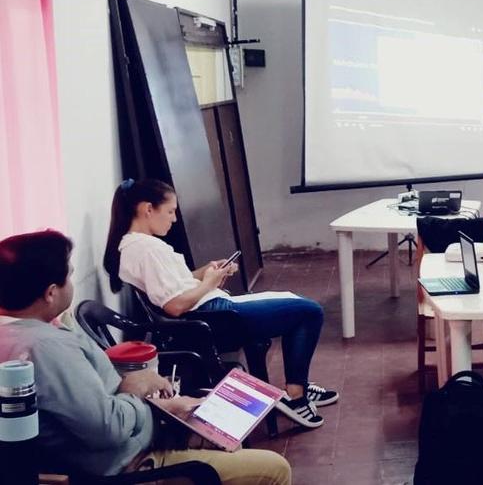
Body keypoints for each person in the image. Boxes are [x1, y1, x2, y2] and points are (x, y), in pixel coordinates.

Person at [0, 231, 291, 484]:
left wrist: (155, 404)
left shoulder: (26, 332)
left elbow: (91, 406)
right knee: (274, 468)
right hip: (130, 464)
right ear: (50, 293)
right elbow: (107, 429)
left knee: (224, 433)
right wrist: (138, 395)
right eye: (70, 276)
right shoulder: (44, 348)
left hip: (139, 432)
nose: (73, 284)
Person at [103, 179, 336, 429]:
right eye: (170, 211)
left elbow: (176, 284)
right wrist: (209, 283)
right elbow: (174, 305)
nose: (174, 219)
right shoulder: (145, 249)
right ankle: (297, 395)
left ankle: (299, 385)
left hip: (212, 310)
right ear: (148, 209)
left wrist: (207, 272)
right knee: (309, 311)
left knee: (296, 302)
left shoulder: (139, 245)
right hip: (214, 319)